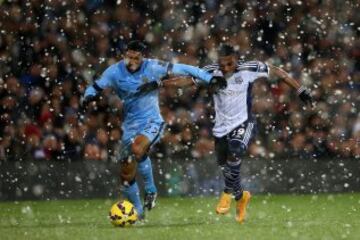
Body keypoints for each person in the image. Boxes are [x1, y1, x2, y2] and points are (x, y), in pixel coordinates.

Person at [152, 44, 313, 223]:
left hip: (244, 122)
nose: (226, 68)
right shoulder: (211, 71)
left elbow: (277, 71)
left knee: (235, 152)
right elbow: (188, 80)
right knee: (226, 167)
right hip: (221, 128)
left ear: (236, 59)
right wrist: (159, 83)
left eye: (229, 64)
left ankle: (226, 193)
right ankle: (241, 196)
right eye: (222, 64)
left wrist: (300, 90)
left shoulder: (249, 68)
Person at [82, 40, 226, 219]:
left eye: (137, 57)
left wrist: (210, 78)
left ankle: (150, 190)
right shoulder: (114, 71)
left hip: (151, 121)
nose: (133, 61)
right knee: (126, 176)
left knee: (137, 148)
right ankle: (138, 213)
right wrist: (87, 97)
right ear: (124, 55)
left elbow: (186, 68)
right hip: (130, 125)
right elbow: (96, 86)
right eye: (129, 57)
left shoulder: (153, 67)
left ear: (143, 57)